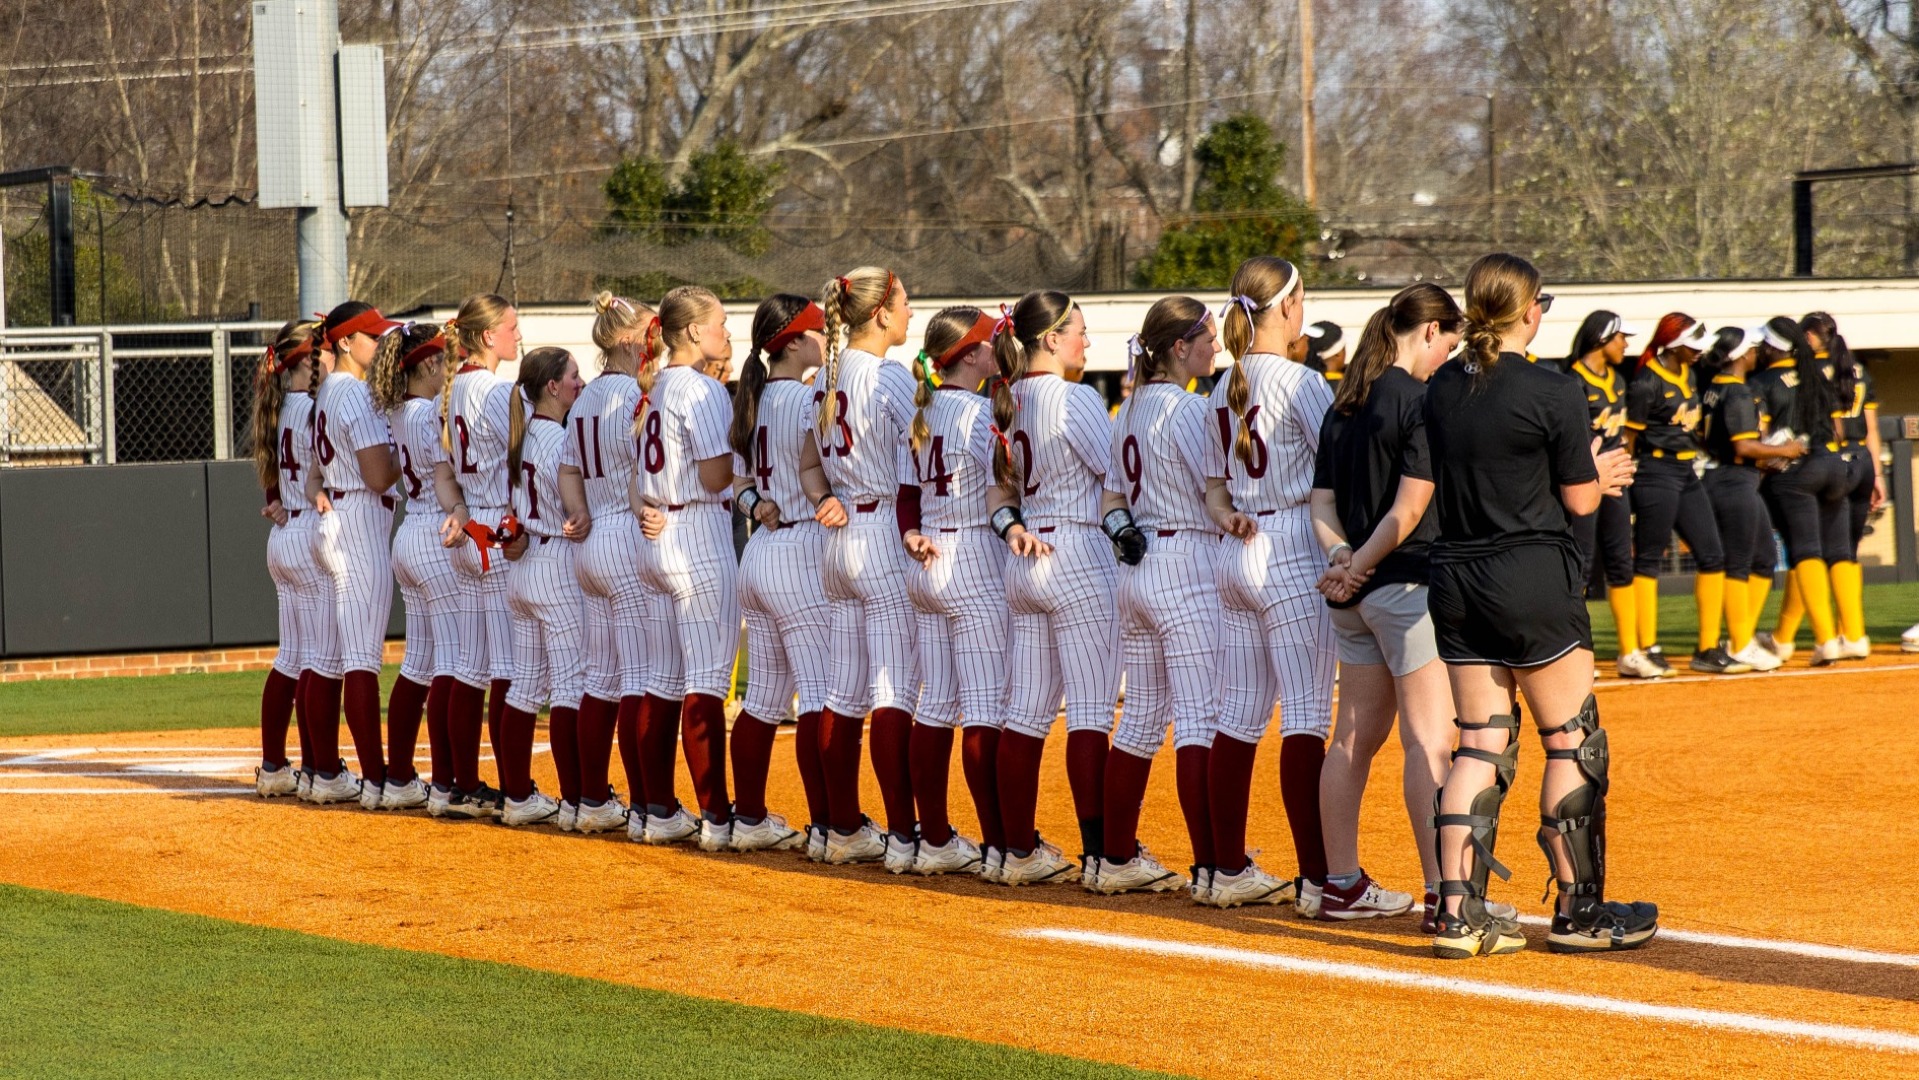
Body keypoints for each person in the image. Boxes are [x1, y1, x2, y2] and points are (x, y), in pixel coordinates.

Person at [1423, 252, 1656, 958]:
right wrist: (1598, 465)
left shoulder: (1436, 388)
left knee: (1477, 743)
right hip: (1529, 575)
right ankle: (1579, 914)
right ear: (1530, 312)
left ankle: (1457, 916)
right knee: (1569, 741)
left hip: (1455, 579)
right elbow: (1580, 498)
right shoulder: (1552, 390)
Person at [1309, 283, 1462, 928]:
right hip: (1405, 584)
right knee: (1430, 738)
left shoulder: (1344, 401)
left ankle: (1340, 883)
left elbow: (1320, 506)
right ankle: (1443, 896)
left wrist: (1344, 563)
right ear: (1428, 331)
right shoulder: (1417, 399)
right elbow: (1411, 507)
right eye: (1447, 345)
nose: (1445, 360)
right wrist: (1364, 565)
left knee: (1353, 737)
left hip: (1354, 592)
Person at [1099, 296, 1242, 904]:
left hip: (1137, 564)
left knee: (1141, 718)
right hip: (1187, 561)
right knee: (1200, 721)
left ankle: (1114, 856)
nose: (1217, 346)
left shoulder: (1127, 409)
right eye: (1206, 338)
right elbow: (1219, 489)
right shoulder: (1189, 409)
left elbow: (1110, 504)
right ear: (1178, 346)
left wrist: (1125, 534)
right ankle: (1215, 869)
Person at [1206, 257, 1338, 912]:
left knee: (1236, 717)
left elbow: (1209, 486)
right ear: (1285, 307)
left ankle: (1225, 867)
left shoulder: (1217, 386)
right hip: (1289, 543)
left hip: (1235, 547)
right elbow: (1335, 474)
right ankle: (1320, 878)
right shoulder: (1300, 381)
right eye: (1301, 299)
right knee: (1307, 718)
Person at [990, 291, 1125, 888]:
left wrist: (1013, 527)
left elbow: (1001, 494)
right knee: (1092, 712)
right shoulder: (1076, 399)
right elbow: (1119, 478)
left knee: (1024, 712)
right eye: (1079, 331)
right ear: (1050, 338)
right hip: (1076, 550)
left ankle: (1015, 849)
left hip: (1023, 553)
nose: (1086, 342)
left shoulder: (1005, 397)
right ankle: (1102, 855)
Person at [898, 307, 1034, 876]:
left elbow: (907, 493)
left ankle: (932, 837)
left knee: (935, 704)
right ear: (973, 355)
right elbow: (1012, 487)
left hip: (926, 552)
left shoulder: (921, 407)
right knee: (983, 707)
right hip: (973, 556)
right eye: (990, 342)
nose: (997, 348)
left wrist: (911, 533)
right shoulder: (981, 414)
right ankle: (1001, 845)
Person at [811, 267, 922, 868]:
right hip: (881, 533)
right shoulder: (888, 377)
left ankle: (840, 827)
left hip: (840, 535)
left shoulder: (827, 374)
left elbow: (810, 464)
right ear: (879, 312)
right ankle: (906, 835)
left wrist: (823, 495)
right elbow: (924, 456)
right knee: (892, 692)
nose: (909, 314)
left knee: (842, 691)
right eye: (904, 304)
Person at [632, 286, 748, 851]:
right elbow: (713, 477)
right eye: (721, 322)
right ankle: (717, 816)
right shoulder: (702, 389)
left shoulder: (654, 389)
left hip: (657, 531)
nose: (727, 331)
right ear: (695, 332)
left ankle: (655, 810)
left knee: (660, 682)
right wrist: (745, 455)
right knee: (703, 683)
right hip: (696, 532)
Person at [731, 294, 845, 859]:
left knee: (767, 697)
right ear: (794, 340)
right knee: (821, 697)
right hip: (801, 548)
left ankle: (748, 815)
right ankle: (828, 824)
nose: (826, 339)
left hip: (761, 551)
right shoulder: (807, 398)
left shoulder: (753, 397)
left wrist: (756, 504)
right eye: (818, 331)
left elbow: (739, 481)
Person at [559, 292, 659, 837]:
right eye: (650, 329)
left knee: (600, 678)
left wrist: (579, 513)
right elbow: (637, 470)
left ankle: (592, 798)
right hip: (625, 534)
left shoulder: (587, 397)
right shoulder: (633, 395)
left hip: (592, 537)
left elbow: (568, 469)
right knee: (639, 679)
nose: (658, 337)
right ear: (628, 339)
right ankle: (647, 804)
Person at [367, 323, 473, 811]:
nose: (448, 367)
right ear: (430, 363)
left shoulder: (397, 409)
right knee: (451, 663)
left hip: (410, 531)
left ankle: (401, 777)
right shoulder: (430, 410)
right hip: (438, 530)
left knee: (419, 664)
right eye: (444, 360)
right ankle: (450, 784)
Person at [308, 301, 405, 806]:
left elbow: (315, 471)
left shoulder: (329, 391)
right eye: (371, 336)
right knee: (363, 658)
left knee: (326, 657)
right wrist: (408, 451)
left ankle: (324, 771)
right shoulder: (354, 394)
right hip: (360, 518)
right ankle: (378, 779)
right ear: (346, 342)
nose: (380, 342)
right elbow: (378, 475)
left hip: (336, 519)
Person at [496, 346, 588, 826]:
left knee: (526, 686)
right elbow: (576, 509)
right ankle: (576, 800)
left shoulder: (524, 435)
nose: (580, 381)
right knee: (570, 688)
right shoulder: (557, 439)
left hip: (525, 562)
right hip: (555, 561)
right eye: (573, 375)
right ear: (552, 386)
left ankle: (516, 797)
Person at [1625, 314, 1743, 674]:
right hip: (1654, 472)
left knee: (1712, 555)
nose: (1697, 353)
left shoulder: (1689, 374)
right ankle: (1646, 647)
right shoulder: (1646, 382)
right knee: (1647, 559)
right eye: (1691, 346)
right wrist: (1627, 482)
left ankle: (1707, 648)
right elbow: (1629, 439)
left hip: (1686, 470)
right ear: (1673, 345)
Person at [440, 294, 522, 818]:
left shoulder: (454, 389)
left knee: (470, 668)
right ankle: (515, 788)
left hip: (472, 528)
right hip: (493, 531)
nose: (518, 334)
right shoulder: (493, 390)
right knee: (506, 671)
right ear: (488, 336)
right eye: (511, 326)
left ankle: (461, 783)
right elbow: (523, 456)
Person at [249, 319, 329, 798]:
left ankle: (276, 764)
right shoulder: (312, 408)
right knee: (317, 659)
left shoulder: (280, 407)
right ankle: (320, 768)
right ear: (309, 359)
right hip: (306, 532)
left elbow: (273, 474)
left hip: (284, 531)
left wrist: (276, 496)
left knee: (292, 658)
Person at [1696, 327, 1801, 671]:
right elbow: (1744, 446)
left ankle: (1742, 636)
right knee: (1740, 561)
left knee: (1763, 557)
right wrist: (1784, 448)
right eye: (1753, 348)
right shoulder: (1738, 392)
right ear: (1741, 355)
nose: (1757, 352)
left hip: (1729, 477)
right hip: (1733, 479)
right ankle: (1740, 644)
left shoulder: (1715, 387)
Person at [1750, 318, 1852, 667]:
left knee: (1804, 551)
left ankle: (1826, 640)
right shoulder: (1816, 374)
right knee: (1820, 552)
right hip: (1835, 465)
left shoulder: (1761, 381)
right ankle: (1786, 639)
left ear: (1771, 346)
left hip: (1798, 471)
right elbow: (1838, 429)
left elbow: (1761, 436)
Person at [1561, 312, 1651, 677]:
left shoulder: (1616, 379)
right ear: (1601, 339)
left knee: (1620, 562)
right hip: (1584, 482)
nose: (1625, 345)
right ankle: (1578, 651)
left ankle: (1629, 652)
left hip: (1615, 482)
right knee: (1579, 564)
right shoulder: (1572, 381)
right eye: (1620, 338)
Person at [1804, 312, 1880, 657]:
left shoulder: (1812, 371)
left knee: (1817, 549)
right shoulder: (1858, 370)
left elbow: (1832, 427)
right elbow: (1873, 428)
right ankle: (1854, 631)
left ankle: (1828, 634)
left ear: (1811, 336)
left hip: (1833, 460)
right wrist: (1878, 474)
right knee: (1848, 551)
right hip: (1863, 461)